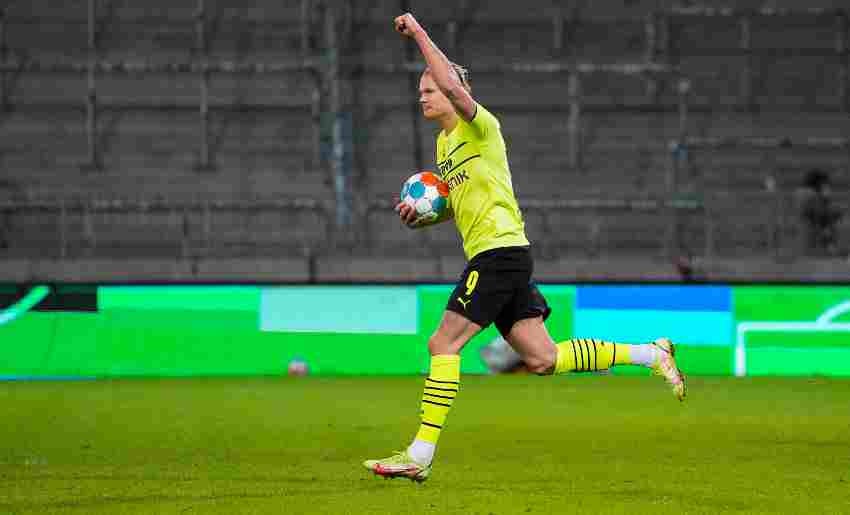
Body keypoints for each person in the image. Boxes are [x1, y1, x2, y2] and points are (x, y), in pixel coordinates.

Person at [363, 13, 685, 483]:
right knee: (542, 358)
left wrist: (419, 34)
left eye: (428, 89)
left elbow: (454, 87)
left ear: (453, 88)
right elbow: (461, 202)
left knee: (443, 342)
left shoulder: (481, 126)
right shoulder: (443, 146)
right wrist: (425, 218)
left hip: (500, 253)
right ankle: (652, 354)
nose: (423, 97)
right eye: (421, 92)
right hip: (501, 253)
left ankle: (420, 454)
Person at [800, 168, 842, 256]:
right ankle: (830, 248)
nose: (827, 186)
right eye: (824, 184)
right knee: (826, 223)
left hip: (811, 224)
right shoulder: (810, 194)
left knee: (827, 222)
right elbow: (820, 213)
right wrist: (826, 200)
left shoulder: (806, 193)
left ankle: (830, 247)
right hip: (811, 227)